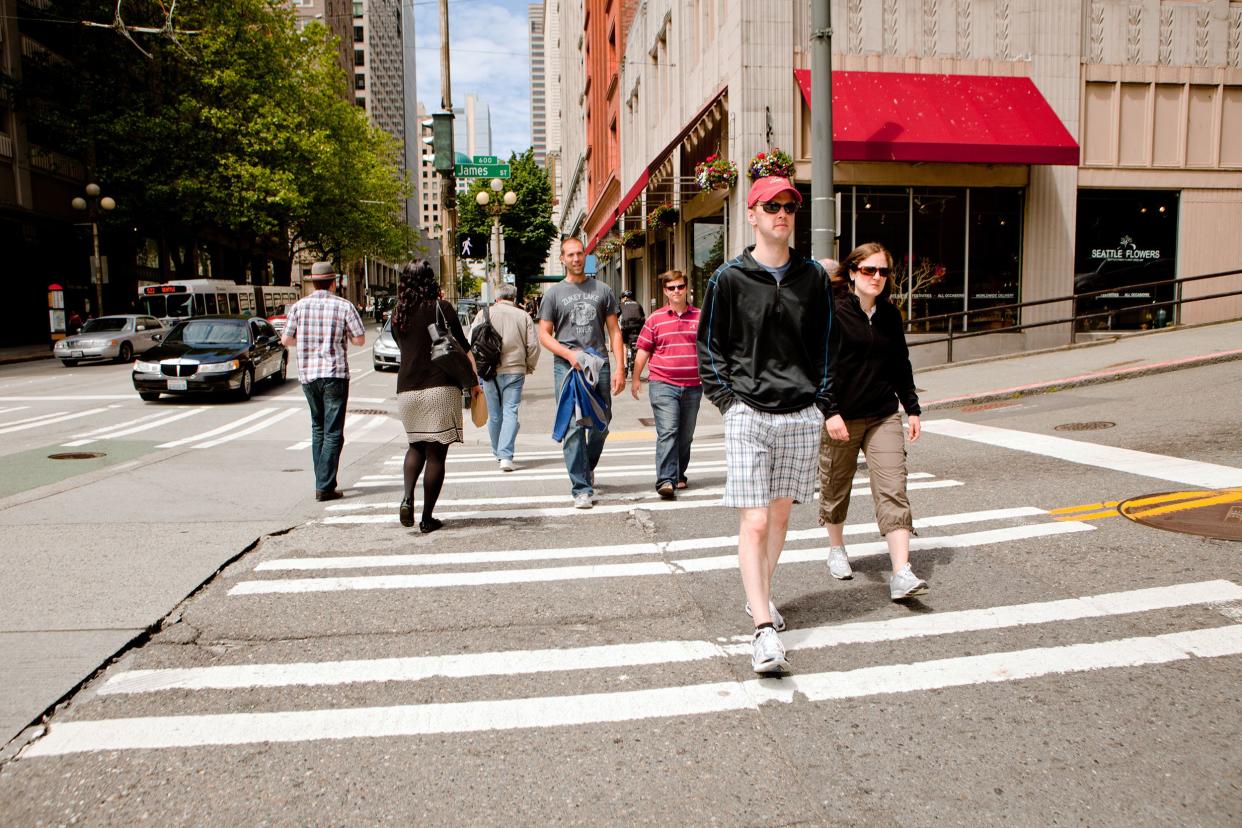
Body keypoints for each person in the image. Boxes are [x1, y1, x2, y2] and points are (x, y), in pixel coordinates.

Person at [696, 175, 835, 675]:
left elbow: (826, 343)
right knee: (754, 520)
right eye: (771, 206)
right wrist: (727, 402)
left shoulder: (813, 277)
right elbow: (709, 346)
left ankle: (761, 598)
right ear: (751, 215)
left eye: (789, 207)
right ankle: (762, 631)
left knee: (779, 518)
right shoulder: (728, 279)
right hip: (748, 413)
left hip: (800, 413)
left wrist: (820, 402)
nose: (782, 214)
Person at [818, 242, 927, 600]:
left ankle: (901, 572)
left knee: (893, 487)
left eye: (882, 271)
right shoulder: (833, 313)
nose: (877, 277)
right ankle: (836, 548)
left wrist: (911, 407)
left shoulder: (890, 316)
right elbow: (821, 369)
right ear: (852, 273)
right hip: (842, 417)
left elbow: (900, 363)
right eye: (869, 270)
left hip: (883, 414)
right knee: (836, 484)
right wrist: (830, 410)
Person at [392, 261, 481, 533]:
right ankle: (427, 517)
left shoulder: (398, 314)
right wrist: (474, 384)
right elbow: (464, 348)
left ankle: (408, 497)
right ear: (430, 280)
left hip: (407, 390)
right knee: (436, 455)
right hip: (440, 388)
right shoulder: (442, 309)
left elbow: (403, 347)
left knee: (415, 446)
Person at [538, 237, 627, 509]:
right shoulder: (553, 294)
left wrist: (620, 367)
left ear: (585, 256)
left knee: (601, 424)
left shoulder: (602, 289)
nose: (576, 259)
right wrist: (569, 355)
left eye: (580, 254)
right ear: (563, 258)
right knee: (573, 427)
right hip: (566, 368)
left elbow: (614, 331)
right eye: (570, 255)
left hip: (599, 364)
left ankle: (586, 467)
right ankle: (581, 488)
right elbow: (544, 334)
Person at [281, 261, 366, 502]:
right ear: (333, 282)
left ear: (312, 282)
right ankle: (325, 485)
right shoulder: (343, 306)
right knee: (333, 432)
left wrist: (308, 342)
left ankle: (322, 480)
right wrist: (341, 337)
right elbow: (360, 340)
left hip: (308, 375)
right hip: (334, 374)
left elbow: (286, 339)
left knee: (317, 427)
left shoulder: (299, 306)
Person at [631, 269, 701, 499]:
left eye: (680, 286)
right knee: (668, 431)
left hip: (693, 385)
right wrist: (635, 378)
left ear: (687, 288)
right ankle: (665, 480)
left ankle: (679, 473)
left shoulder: (700, 316)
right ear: (665, 292)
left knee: (686, 435)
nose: (676, 291)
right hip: (663, 383)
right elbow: (643, 350)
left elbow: (711, 349)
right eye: (671, 288)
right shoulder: (655, 318)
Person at [470, 283, 540, 471]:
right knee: (510, 412)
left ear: (497, 297)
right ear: (514, 298)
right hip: (515, 370)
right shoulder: (523, 315)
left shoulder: (483, 314)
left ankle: (497, 452)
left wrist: (476, 370)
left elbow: (471, 341)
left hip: (488, 371)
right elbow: (533, 346)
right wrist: (529, 365)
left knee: (494, 414)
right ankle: (506, 456)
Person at [618, 289, 645, 376]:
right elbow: (643, 316)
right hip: (638, 327)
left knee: (623, 344)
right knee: (638, 345)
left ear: (625, 298)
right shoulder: (638, 304)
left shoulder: (621, 304)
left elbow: (616, 316)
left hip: (626, 327)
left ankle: (625, 365)